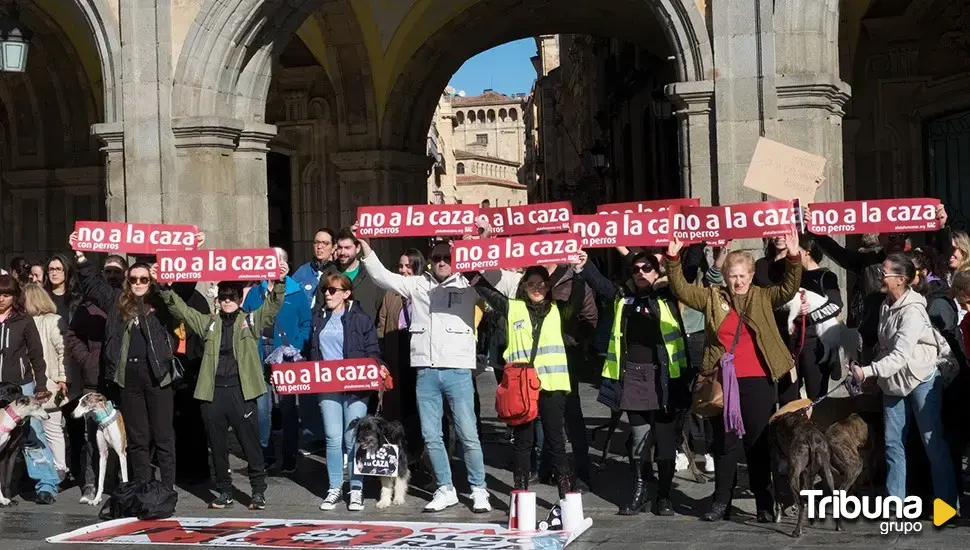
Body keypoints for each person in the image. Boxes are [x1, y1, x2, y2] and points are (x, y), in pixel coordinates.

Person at [666, 230, 803, 522]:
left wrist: (793, 256)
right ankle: (720, 503)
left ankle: (764, 502)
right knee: (725, 445)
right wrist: (673, 258)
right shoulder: (713, 297)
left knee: (757, 442)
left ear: (752, 275)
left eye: (742, 276)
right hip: (722, 381)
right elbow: (681, 290)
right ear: (725, 276)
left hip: (758, 381)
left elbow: (790, 287)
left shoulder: (764, 296)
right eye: (732, 276)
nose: (737, 281)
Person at [357, 230, 492, 513]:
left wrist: (480, 240)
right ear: (430, 261)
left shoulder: (470, 283)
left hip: (457, 371)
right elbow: (382, 276)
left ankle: (479, 489)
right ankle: (445, 488)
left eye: (448, 257)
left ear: (457, 259)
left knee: (468, 433)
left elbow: (498, 274)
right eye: (437, 257)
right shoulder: (418, 284)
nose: (442, 261)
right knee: (432, 436)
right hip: (426, 372)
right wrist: (365, 247)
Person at [160, 262, 287, 510]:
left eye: (232, 296)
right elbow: (182, 311)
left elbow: (272, 307)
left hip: (241, 391)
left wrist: (280, 282)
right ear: (218, 299)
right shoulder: (208, 323)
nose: (228, 300)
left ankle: (258, 491)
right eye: (224, 296)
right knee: (217, 446)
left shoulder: (250, 321)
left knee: (249, 443)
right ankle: (225, 490)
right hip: (213, 393)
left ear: (240, 299)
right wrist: (165, 289)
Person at [575, 250, 691, 516]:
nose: (641, 272)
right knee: (639, 438)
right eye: (636, 268)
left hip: (664, 379)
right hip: (633, 377)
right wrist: (585, 265)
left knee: (663, 440)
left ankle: (663, 496)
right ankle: (640, 492)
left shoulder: (669, 296)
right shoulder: (623, 299)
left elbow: (685, 278)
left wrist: (674, 258)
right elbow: (603, 286)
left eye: (647, 268)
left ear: (657, 271)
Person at [848, 253, 958, 511]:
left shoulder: (913, 311)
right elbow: (886, 347)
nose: (879, 276)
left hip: (921, 378)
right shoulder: (885, 303)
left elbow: (900, 355)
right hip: (894, 382)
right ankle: (896, 504)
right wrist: (869, 371)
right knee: (892, 443)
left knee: (932, 442)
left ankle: (947, 504)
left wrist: (868, 371)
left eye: (884, 272)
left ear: (901, 279)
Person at [73, 238, 180, 490]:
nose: (139, 284)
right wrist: (80, 257)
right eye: (133, 279)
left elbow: (181, 297)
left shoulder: (161, 301)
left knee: (163, 437)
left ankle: (166, 488)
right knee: (137, 438)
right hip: (128, 378)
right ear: (127, 281)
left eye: (144, 279)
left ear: (150, 281)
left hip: (158, 377)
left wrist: (190, 253)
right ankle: (143, 485)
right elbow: (92, 285)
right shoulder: (117, 302)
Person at [473, 266, 574, 499]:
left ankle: (565, 495)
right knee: (522, 441)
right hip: (521, 385)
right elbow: (485, 289)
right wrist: (467, 258)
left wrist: (579, 267)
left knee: (555, 439)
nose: (536, 288)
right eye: (531, 284)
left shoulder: (559, 310)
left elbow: (577, 294)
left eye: (541, 284)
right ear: (524, 286)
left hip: (552, 383)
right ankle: (520, 493)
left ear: (548, 286)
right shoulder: (513, 308)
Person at [313, 273, 383, 511]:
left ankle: (356, 488)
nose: (327, 294)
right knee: (333, 438)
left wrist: (377, 366)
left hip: (355, 386)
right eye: (325, 290)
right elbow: (312, 350)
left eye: (333, 290)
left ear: (346, 293)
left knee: (353, 438)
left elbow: (373, 350)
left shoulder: (361, 319)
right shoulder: (318, 317)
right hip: (327, 385)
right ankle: (334, 488)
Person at [242, 247, 311, 474]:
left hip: (286, 353)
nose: (275, 264)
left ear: (286, 263)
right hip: (260, 351)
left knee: (288, 407)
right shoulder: (256, 292)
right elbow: (244, 319)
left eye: (279, 260)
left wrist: (295, 347)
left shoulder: (296, 292)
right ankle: (266, 454)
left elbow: (305, 324)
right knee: (262, 408)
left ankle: (289, 454)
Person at [64, 254, 126, 502]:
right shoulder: (88, 304)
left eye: (117, 272)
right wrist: (88, 359)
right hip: (94, 376)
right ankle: (90, 484)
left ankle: (119, 482)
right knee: (92, 436)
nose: (112, 276)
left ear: (124, 275)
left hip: (120, 378)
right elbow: (72, 335)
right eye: (108, 272)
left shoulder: (126, 302)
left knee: (123, 433)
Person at [536, 259, 596, 490]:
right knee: (542, 413)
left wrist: (573, 340)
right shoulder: (532, 275)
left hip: (566, 355)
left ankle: (582, 471)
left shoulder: (572, 279)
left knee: (571, 413)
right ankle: (545, 467)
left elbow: (590, 317)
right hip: (538, 355)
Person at [0, 274, 59, 504]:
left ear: (15, 297)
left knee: (32, 435)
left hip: (20, 387)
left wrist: (41, 385)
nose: (2, 299)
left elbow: (37, 356)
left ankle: (46, 485)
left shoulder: (24, 320)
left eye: (6, 295)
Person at [376, 249, 424, 449]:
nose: (404, 270)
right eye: (401, 266)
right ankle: (401, 449)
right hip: (397, 353)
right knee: (398, 407)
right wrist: (381, 359)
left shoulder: (426, 290)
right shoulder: (391, 294)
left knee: (419, 406)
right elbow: (381, 326)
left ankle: (419, 450)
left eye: (409, 266)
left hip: (420, 355)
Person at [23, 283, 69, 479]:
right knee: (43, 430)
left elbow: (63, 350)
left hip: (48, 382)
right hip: (33, 381)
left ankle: (59, 468)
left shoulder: (52, 321)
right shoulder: (23, 322)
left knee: (51, 428)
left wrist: (61, 378)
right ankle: (49, 469)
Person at [790, 235, 844, 401]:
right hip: (793, 341)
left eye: (795, 249)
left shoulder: (826, 276)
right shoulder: (793, 276)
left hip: (816, 343)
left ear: (806, 252)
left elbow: (836, 305)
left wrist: (809, 317)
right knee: (792, 393)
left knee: (817, 394)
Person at [315, 229, 385, 323]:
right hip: (335, 334)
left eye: (347, 248)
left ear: (357, 248)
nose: (342, 252)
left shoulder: (371, 276)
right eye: (340, 247)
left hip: (364, 334)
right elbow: (319, 310)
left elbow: (381, 311)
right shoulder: (327, 276)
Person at [293, 228, 338, 308]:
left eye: (325, 243)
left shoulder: (338, 272)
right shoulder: (303, 271)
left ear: (334, 248)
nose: (319, 246)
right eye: (316, 242)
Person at [45, 254, 83, 330]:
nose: (54, 273)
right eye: (51, 269)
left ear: (66, 271)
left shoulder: (77, 298)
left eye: (58, 269)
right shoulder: (42, 297)